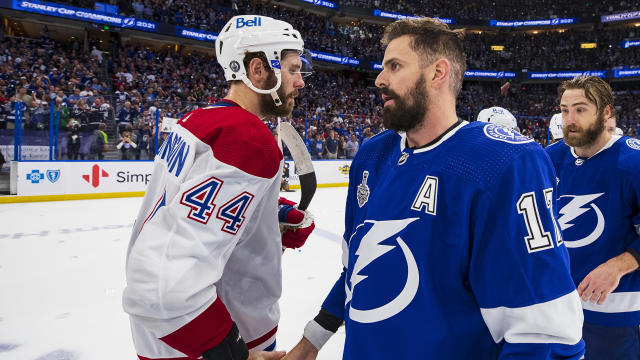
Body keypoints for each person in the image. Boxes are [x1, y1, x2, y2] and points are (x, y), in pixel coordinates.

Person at [285, 17, 584, 360]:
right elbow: (359, 269)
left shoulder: (505, 162)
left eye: (394, 66)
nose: (380, 80)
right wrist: (311, 343)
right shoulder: (372, 155)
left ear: (438, 73)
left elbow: (545, 333)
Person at [123, 15, 315, 360]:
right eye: (292, 69)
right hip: (209, 340)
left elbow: (187, 207)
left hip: (169, 341)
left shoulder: (196, 121)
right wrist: (233, 355)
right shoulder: (247, 139)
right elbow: (164, 283)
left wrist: (272, 218)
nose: (300, 82)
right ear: (258, 70)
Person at [546, 75, 640, 360]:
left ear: (606, 112)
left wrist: (620, 264)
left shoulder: (633, 161)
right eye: (564, 110)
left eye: (581, 109)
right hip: (556, 307)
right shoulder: (547, 158)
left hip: (615, 313)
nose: (569, 119)